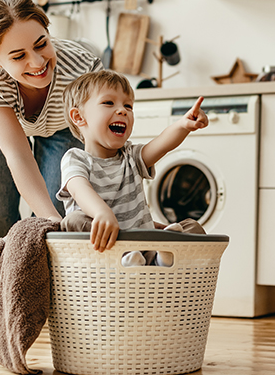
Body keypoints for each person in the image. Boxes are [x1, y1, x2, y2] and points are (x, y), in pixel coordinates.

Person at [0, 0, 102, 328]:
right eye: (18, 56)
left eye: (42, 44)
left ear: (48, 30)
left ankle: (54, 306)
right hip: (6, 118)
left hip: (64, 126)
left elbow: (98, 142)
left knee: (61, 209)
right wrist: (49, 220)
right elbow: (16, 154)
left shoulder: (83, 67)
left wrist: (60, 220)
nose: (37, 63)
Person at [56, 70, 209, 266]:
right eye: (109, 103)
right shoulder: (75, 158)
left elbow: (162, 144)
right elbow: (79, 189)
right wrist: (102, 213)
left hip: (144, 243)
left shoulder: (131, 156)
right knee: (73, 222)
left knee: (192, 227)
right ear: (78, 117)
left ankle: (161, 258)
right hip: (103, 249)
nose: (123, 111)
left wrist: (183, 125)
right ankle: (128, 259)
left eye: (128, 105)